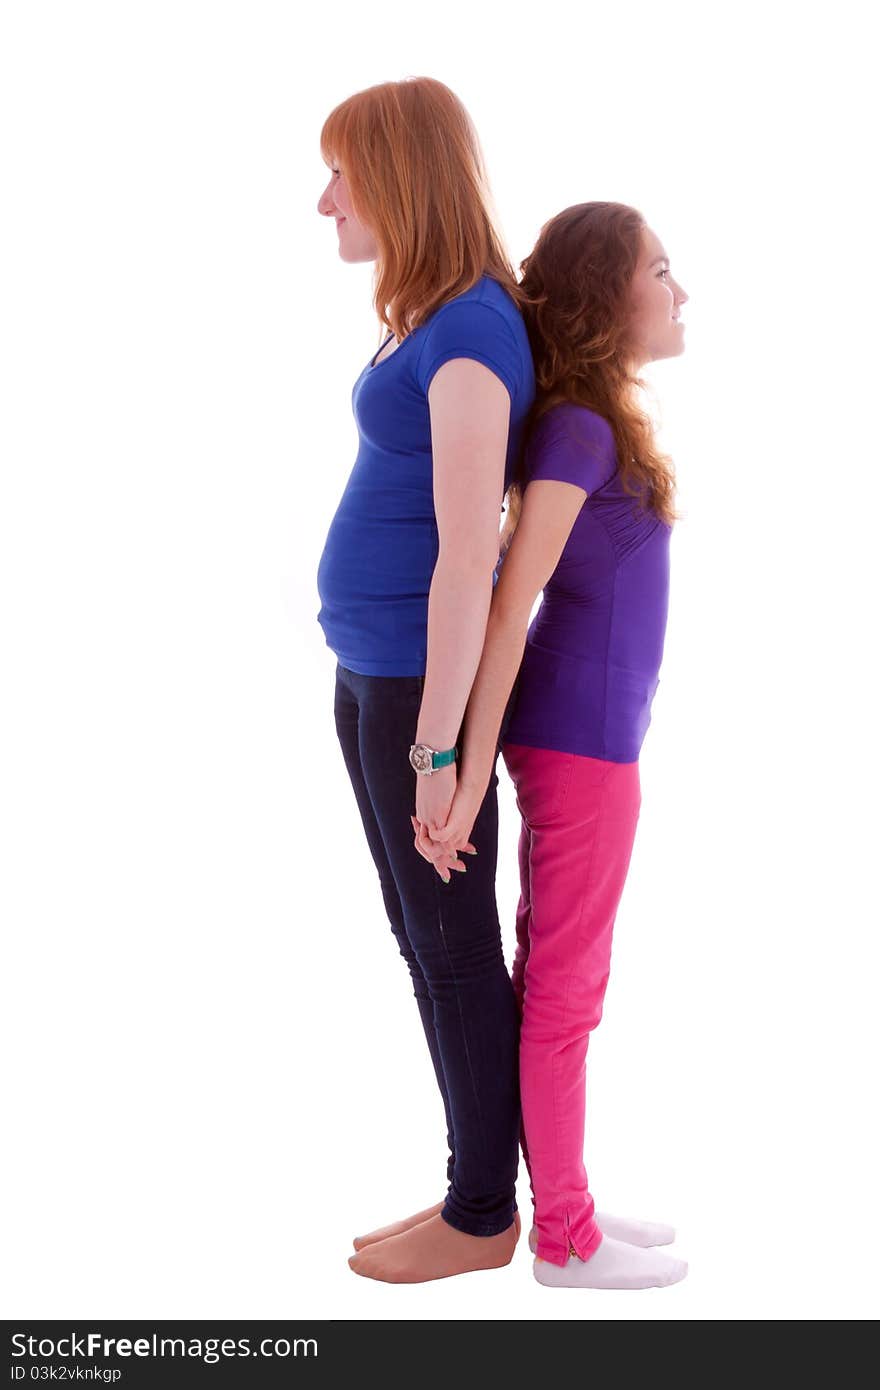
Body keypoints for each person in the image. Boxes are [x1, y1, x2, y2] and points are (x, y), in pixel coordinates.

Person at [419, 202, 690, 1289]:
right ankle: (566, 1239)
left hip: (593, 745)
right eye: (662, 270)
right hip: (577, 751)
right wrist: (463, 759)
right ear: (605, 293)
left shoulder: (596, 423)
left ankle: (568, 1198)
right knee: (567, 991)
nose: (681, 290)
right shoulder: (575, 429)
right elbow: (504, 602)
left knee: (563, 980)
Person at [315, 77, 535, 1284]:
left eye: (341, 173)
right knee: (422, 936)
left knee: (450, 945)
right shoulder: (428, 315)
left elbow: (468, 562)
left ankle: (479, 1213)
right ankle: (468, 1188)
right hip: (373, 676)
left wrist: (441, 755)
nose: (324, 201)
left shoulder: (467, 330)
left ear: (399, 177)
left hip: (414, 696)